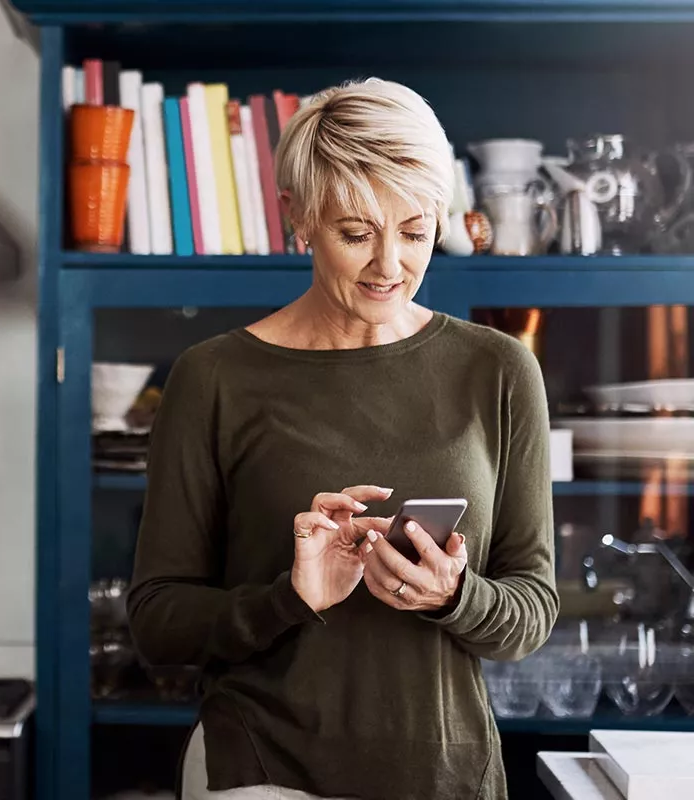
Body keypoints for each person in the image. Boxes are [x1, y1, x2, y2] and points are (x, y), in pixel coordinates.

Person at [127, 77, 559, 800]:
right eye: (355, 233)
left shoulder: (500, 370)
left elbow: (531, 610)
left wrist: (451, 596)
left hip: (445, 776)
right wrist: (289, 597)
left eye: (416, 232)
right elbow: (157, 623)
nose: (389, 265)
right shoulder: (214, 377)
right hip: (259, 770)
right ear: (298, 218)